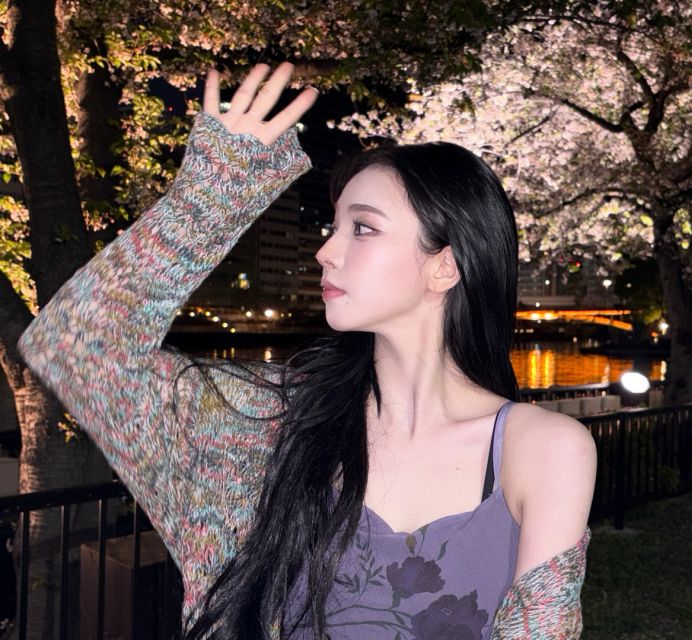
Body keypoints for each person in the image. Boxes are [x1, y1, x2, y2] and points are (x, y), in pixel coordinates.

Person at [18, 62, 596, 639]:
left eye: (362, 228)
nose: (326, 251)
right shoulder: (268, 420)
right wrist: (209, 196)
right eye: (333, 226)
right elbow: (75, 345)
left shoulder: (542, 450)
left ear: (444, 266)